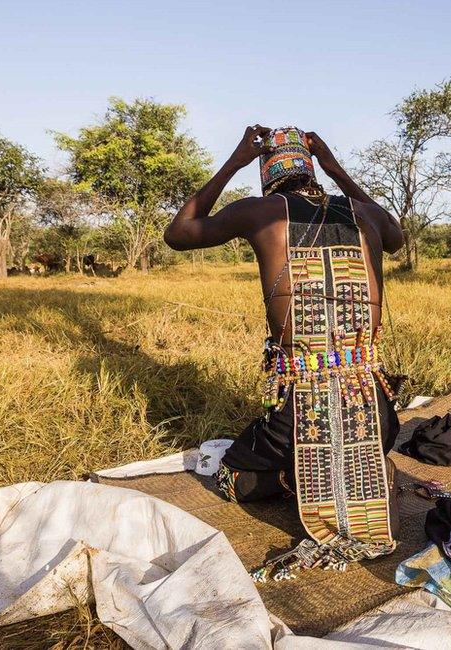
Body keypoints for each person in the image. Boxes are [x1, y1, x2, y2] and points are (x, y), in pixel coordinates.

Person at [165, 125, 405, 577]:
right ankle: (357, 470)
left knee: (232, 478)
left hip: (297, 415)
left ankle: (302, 477)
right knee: (358, 430)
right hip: (377, 412)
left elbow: (179, 233)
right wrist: (337, 168)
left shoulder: (261, 211)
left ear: (266, 173)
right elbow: (396, 236)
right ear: (313, 169)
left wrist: (233, 160)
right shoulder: (364, 214)